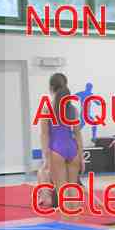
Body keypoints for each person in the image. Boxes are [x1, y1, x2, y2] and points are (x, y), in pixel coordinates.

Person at [39, 73, 84, 218]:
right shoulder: (72, 109)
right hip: (72, 148)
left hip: (56, 149)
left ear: (51, 87)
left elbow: (44, 134)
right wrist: (81, 156)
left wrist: (46, 157)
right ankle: (75, 220)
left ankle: (66, 222)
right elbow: (77, 134)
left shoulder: (47, 108)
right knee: (73, 187)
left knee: (62, 189)